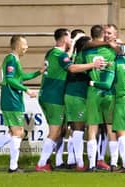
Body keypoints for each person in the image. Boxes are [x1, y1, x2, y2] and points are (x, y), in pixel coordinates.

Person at [35, 28, 104, 172]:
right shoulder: (62, 55)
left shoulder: (52, 52)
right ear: (64, 38)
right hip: (55, 96)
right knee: (57, 131)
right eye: (69, 37)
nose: (71, 40)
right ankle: (42, 164)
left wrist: (72, 47)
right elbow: (71, 67)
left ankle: (53, 162)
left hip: (47, 94)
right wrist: (93, 65)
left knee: (60, 130)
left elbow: (66, 59)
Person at [0, 35, 45, 173]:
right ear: (17, 45)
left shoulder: (15, 60)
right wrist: (26, 90)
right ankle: (13, 167)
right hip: (11, 100)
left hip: (13, 100)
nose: (27, 47)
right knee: (18, 133)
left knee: (14, 132)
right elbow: (10, 80)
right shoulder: (11, 59)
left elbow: (20, 78)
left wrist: (38, 72)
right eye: (25, 44)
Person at [90, 51, 125, 173]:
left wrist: (92, 82)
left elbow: (107, 84)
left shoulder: (115, 62)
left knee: (121, 133)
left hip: (121, 100)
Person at [83, 25, 116, 171]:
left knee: (92, 129)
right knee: (111, 128)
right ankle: (114, 163)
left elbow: (80, 65)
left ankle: (91, 165)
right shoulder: (111, 50)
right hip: (108, 92)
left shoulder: (86, 51)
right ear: (103, 34)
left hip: (92, 92)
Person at [64, 36, 91, 171]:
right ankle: (79, 163)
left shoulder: (75, 56)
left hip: (71, 95)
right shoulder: (83, 57)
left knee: (75, 129)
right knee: (79, 129)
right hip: (77, 96)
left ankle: (73, 160)